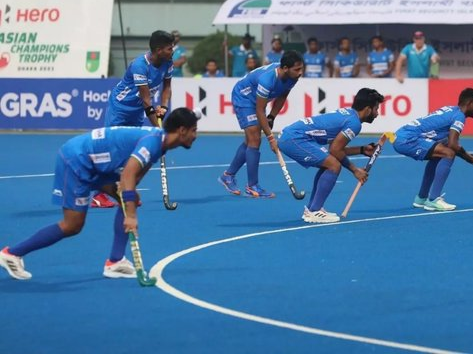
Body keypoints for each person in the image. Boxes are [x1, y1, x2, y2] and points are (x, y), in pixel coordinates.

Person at [0, 108, 199, 281]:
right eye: (193, 130)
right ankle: (12, 254)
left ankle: (115, 261)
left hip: (96, 165)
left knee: (128, 199)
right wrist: (130, 216)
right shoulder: (153, 142)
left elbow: (132, 181)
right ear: (182, 130)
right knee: (72, 225)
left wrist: (130, 199)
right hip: (77, 160)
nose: (195, 135)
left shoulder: (160, 144)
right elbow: (129, 173)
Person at [278, 88, 385, 223]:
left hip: (292, 136)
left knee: (329, 163)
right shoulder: (355, 123)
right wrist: (355, 170)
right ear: (368, 109)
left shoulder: (349, 115)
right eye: (376, 109)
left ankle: (312, 208)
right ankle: (314, 211)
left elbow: (335, 148)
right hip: (295, 139)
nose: (377, 113)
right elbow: (335, 150)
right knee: (333, 165)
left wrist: (362, 149)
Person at [94, 30, 175, 208]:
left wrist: (164, 106)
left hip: (137, 110)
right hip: (120, 109)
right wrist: (158, 130)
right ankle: (98, 195)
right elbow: (146, 100)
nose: (173, 51)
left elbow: (167, 87)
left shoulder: (168, 62)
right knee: (112, 150)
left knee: (132, 152)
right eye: (170, 48)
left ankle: (123, 190)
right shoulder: (140, 65)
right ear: (158, 50)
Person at [218, 50, 305, 198]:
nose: (300, 73)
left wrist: (272, 117)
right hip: (244, 97)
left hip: (257, 100)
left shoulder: (293, 77)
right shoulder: (267, 79)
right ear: (285, 68)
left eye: (301, 68)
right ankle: (252, 186)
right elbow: (259, 110)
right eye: (297, 69)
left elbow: (282, 96)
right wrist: (271, 138)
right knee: (255, 139)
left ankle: (228, 176)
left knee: (250, 140)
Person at [392, 88, 473, 212]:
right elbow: (453, 145)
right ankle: (433, 199)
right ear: (469, 103)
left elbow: (449, 142)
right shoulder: (459, 116)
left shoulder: (451, 110)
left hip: (401, 136)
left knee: (441, 152)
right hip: (408, 139)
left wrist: (468, 156)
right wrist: (470, 159)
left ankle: (421, 198)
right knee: (448, 153)